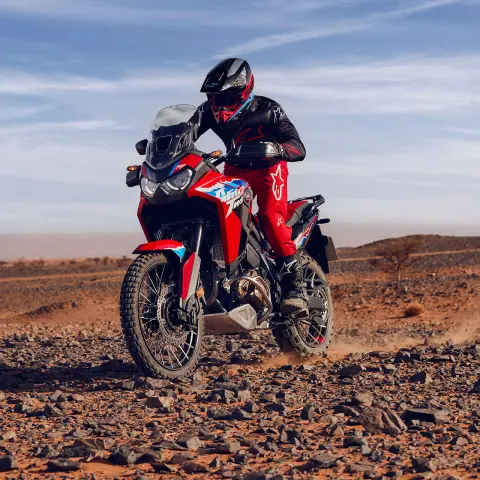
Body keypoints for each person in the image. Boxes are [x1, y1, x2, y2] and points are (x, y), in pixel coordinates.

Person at [194, 58, 308, 316]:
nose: (220, 105)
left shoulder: (269, 108)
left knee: (269, 216)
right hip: (234, 167)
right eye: (215, 98)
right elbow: (185, 133)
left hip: (270, 168)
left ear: (245, 91)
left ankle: (295, 289)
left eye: (228, 98)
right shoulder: (207, 111)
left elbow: (298, 147)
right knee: (219, 216)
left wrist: (277, 148)